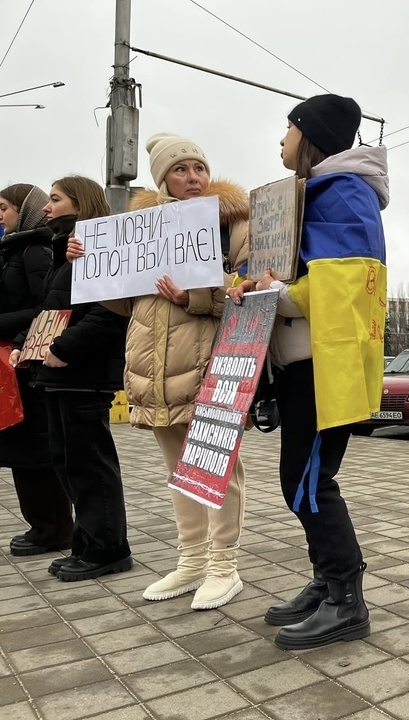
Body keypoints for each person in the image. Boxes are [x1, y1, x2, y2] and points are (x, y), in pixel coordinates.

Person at [228, 93, 387, 650]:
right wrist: (249, 284)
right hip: (299, 365)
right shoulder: (306, 195)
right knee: (304, 481)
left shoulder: (345, 193)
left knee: (308, 483)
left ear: (310, 136)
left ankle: (346, 599)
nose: (282, 138)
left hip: (323, 366)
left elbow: (346, 286)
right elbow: (283, 271)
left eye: (289, 127)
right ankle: (328, 583)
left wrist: (276, 292)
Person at [93, 134, 250, 609]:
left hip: (215, 367)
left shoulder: (233, 224)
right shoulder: (139, 230)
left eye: (199, 167)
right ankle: (192, 559)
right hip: (155, 370)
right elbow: (126, 303)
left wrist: (194, 296)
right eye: (180, 169)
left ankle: (224, 566)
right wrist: (91, 267)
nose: (193, 177)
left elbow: (252, 290)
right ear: (162, 179)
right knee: (181, 471)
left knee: (217, 468)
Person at [10, 177, 132, 580]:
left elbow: (108, 315)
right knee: (68, 463)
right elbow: (51, 311)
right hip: (59, 375)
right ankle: (87, 543)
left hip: (84, 375)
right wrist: (26, 344)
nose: (47, 207)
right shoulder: (66, 253)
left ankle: (107, 549)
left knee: (90, 467)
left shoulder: (101, 250)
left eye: (56, 199)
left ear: (82, 203)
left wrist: (63, 349)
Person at [0, 184, 73, 557]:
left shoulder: (33, 251)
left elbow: (45, 307)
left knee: (35, 449)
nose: (0, 215)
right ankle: (41, 526)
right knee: (21, 449)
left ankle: (53, 529)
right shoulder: (14, 248)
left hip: (28, 360)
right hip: (15, 359)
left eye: (5, 207)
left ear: (23, 209)